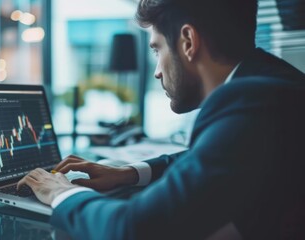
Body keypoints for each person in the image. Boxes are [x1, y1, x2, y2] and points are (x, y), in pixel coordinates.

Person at [17, 0, 305, 239]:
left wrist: (60, 194)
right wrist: (128, 173)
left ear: (188, 42)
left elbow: (131, 229)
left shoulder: (251, 100)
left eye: (157, 49)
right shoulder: (271, 83)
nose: (156, 71)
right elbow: (205, 160)